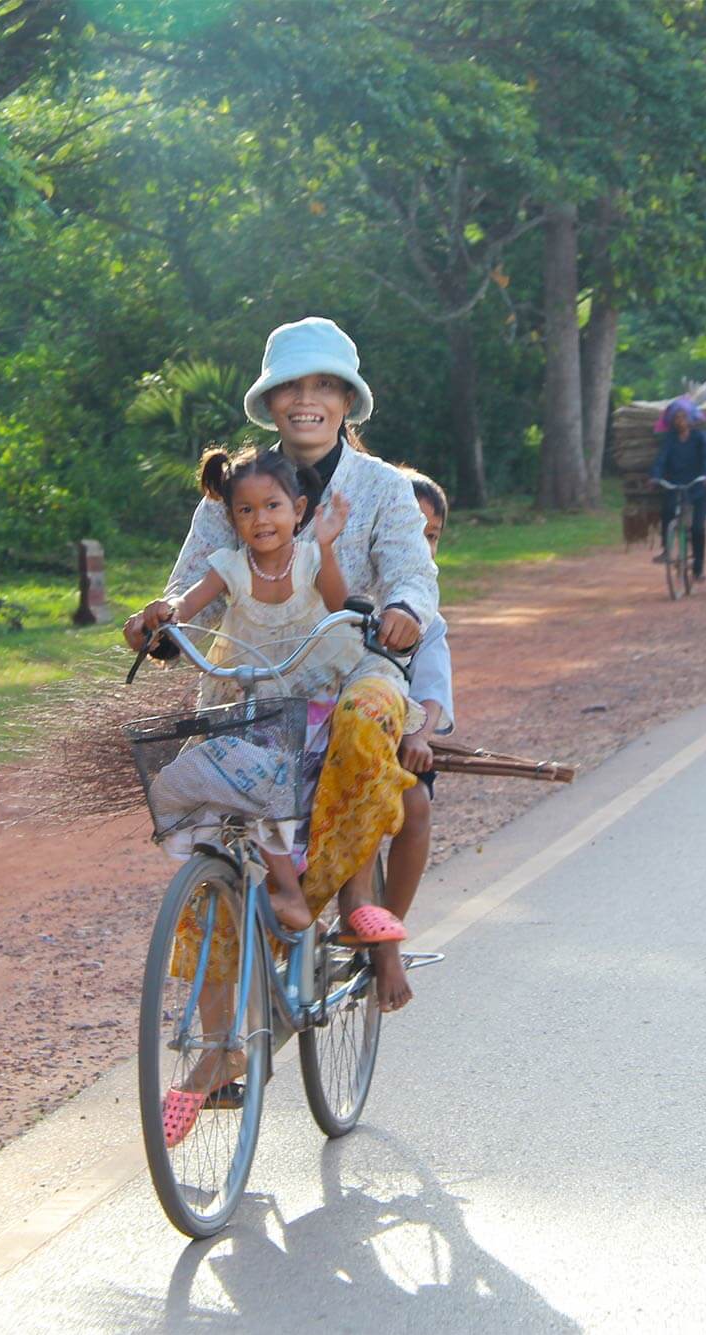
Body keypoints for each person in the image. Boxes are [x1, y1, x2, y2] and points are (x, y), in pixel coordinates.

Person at [127, 315, 437, 1041]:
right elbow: (188, 589)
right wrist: (160, 625)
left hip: (355, 668)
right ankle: (213, 1047)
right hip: (250, 689)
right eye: (291, 387)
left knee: (364, 723)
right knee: (214, 829)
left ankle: (346, 901)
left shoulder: (385, 490)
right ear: (269, 402)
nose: (307, 400)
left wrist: (401, 612)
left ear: (345, 401)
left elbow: (415, 578)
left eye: (324, 386)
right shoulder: (234, 491)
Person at [127, 446, 362, 933]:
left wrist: (330, 544)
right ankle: (219, 862)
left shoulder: (312, 559)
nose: (261, 519)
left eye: (273, 506)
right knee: (226, 769)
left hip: (312, 697)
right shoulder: (230, 567)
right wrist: (163, 613)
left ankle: (291, 896)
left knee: (267, 777)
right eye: (246, 510)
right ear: (233, 520)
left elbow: (342, 604)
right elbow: (186, 604)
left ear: (297, 510)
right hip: (252, 700)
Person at [382, 469, 455, 1011]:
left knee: (415, 805)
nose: (421, 545)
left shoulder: (426, 615)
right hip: (318, 728)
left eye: (432, 536)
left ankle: (385, 938)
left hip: (398, 742)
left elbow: (431, 692)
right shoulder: (337, 579)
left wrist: (422, 737)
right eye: (412, 530)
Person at [649, 396, 706, 581]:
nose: (681, 422)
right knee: (667, 511)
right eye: (677, 418)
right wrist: (655, 476)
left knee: (697, 528)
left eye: (683, 417)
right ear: (673, 421)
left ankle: (699, 566)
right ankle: (666, 548)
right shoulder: (670, 440)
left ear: (691, 419)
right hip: (676, 484)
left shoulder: (700, 438)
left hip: (697, 485)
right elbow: (661, 459)